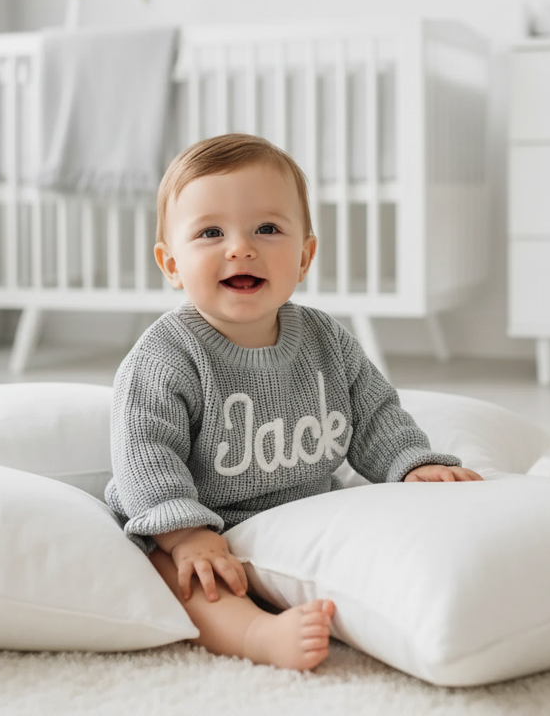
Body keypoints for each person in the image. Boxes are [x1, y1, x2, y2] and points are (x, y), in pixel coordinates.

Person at [105, 133, 481, 670]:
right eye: (211, 232)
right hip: (196, 523)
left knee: (385, 544)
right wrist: (185, 533)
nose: (240, 247)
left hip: (301, 518)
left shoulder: (325, 340)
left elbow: (374, 412)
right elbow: (145, 453)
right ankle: (255, 634)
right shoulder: (166, 356)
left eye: (267, 229)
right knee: (180, 578)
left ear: (304, 255)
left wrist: (412, 462)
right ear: (171, 264)